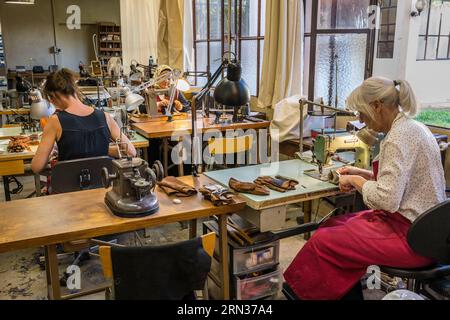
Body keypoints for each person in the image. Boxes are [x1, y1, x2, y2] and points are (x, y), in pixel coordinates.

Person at [284, 77, 446, 300]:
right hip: (429, 232)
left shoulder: (397, 138)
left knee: (324, 242)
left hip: (412, 239)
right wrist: (363, 174)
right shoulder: (414, 127)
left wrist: (354, 182)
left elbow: (387, 200)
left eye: (361, 113)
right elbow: (400, 183)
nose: (361, 120)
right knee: (333, 224)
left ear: (377, 106)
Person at [31, 68, 136, 174]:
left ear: (52, 97)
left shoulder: (55, 122)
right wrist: (99, 148)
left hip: (70, 188)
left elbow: (36, 167)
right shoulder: (105, 117)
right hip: (105, 185)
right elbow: (131, 151)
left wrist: (50, 154)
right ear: (74, 89)